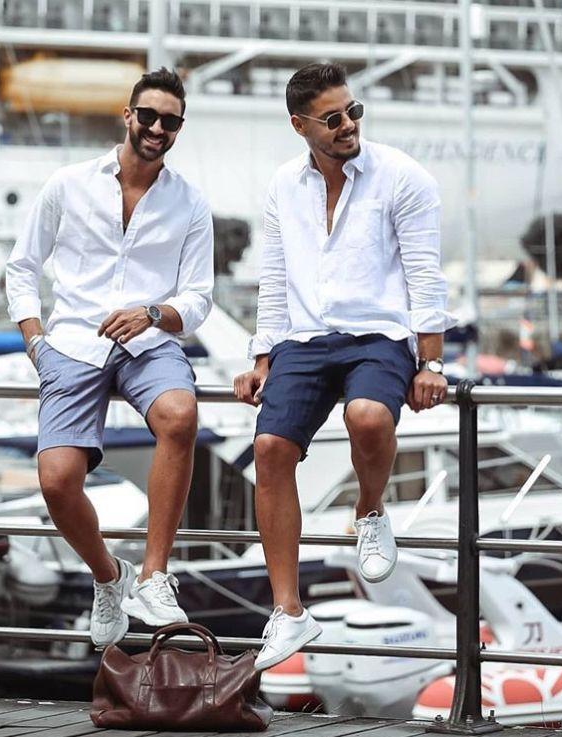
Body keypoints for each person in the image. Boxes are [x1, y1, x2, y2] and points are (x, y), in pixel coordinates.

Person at [234, 63, 456, 670]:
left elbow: (426, 274)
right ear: (299, 125)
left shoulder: (403, 176)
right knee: (270, 448)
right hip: (304, 338)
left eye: (353, 111)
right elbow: (274, 277)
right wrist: (261, 355)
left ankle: (371, 510)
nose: (348, 125)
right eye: (332, 118)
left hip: (379, 334)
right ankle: (288, 613)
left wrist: (431, 360)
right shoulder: (283, 185)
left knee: (368, 417)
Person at [5, 68, 214, 648]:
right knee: (57, 482)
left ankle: (152, 575)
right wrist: (35, 340)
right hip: (72, 342)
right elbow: (22, 267)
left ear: (179, 128)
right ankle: (108, 576)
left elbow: (199, 298)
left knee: (180, 415)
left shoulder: (190, 203)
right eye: (148, 116)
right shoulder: (68, 184)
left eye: (170, 121)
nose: (157, 128)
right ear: (128, 115)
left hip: (149, 344)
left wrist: (152, 314)